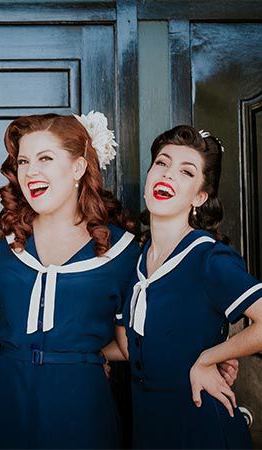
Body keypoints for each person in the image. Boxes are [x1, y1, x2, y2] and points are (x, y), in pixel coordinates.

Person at [0, 112, 140, 449]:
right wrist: (3, 366)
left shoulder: (123, 249)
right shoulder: (0, 236)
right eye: (23, 161)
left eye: (45, 158)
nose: (30, 171)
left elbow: (133, 342)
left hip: (82, 403)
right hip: (6, 399)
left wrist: (87, 358)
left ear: (78, 168)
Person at [117, 125, 262, 449]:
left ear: (200, 196)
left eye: (186, 171)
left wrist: (209, 358)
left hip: (201, 426)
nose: (168, 174)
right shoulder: (138, 259)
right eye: (162, 163)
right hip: (149, 427)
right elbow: (132, 346)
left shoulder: (209, 257)